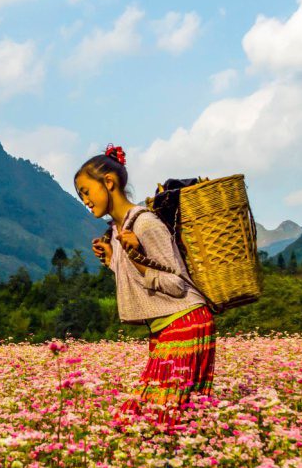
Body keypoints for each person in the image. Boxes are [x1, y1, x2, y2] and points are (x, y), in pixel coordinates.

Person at [74, 145, 216, 413]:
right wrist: (113, 260)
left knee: (150, 417)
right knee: (171, 418)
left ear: (109, 182)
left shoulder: (145, 224)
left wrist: (137, 256)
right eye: (81, 195)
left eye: (86, 192)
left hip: (184, 322)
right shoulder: (120, 229)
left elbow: (175, 284)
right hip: (164, 328)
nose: (85, 200)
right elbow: (143, 279)